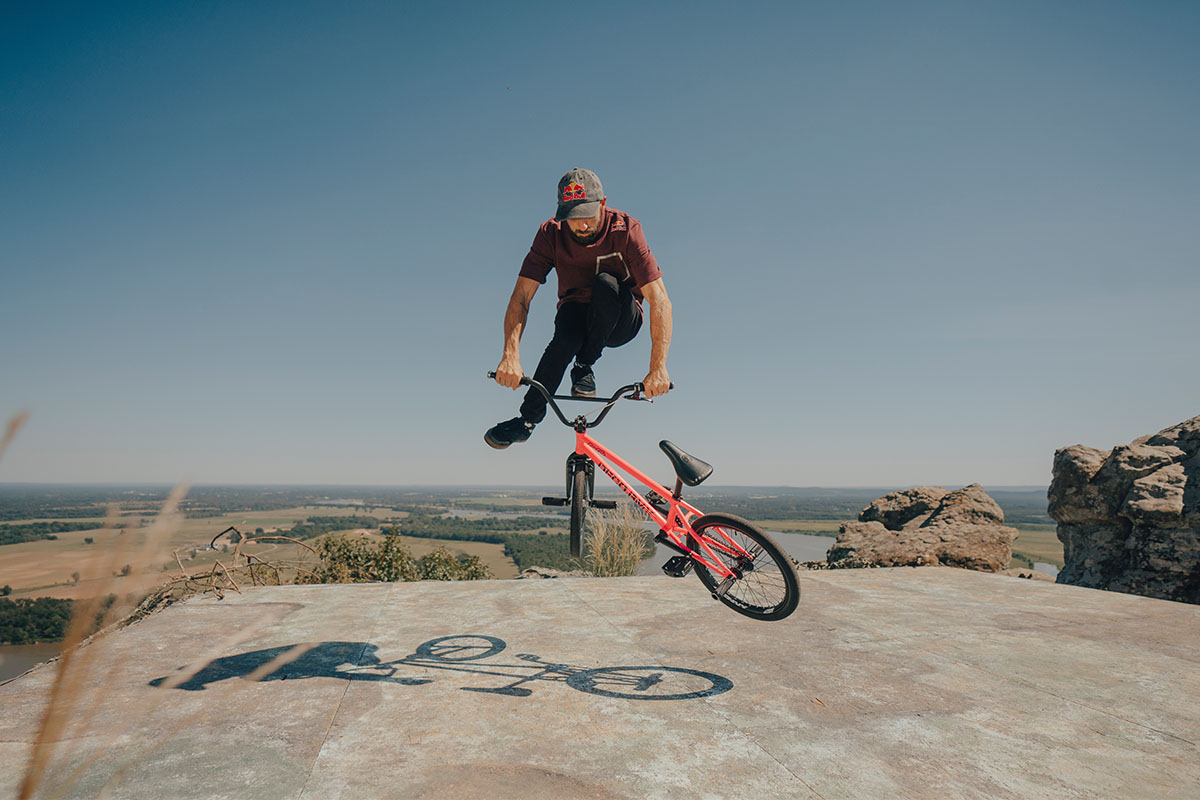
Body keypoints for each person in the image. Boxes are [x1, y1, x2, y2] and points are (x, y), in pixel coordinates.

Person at [486, 168, 673, 449]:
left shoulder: (626, 229)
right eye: (572, 217)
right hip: (576, 310)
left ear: (602, 203)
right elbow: (522, 295)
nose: (581, 225)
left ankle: (584, 364)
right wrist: (509, 356)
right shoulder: (551, 233)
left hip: (620, 320)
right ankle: (526, 421)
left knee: (606, 283)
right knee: (565, 336)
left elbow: (659, 299)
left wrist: (658, 368)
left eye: (586, 215)